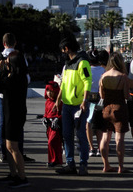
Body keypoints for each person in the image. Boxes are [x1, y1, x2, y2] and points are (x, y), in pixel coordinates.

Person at [0, 33, 33, 163]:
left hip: (1, 94)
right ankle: (18, 152)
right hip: (16, 94)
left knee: (3, 123)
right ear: (15, 43)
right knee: (17, 124)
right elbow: (27, 77)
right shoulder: (19, 56)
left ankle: (5, 152)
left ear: (3, 43)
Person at [54, 37, 92, 176]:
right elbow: (63, 83)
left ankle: (83, 164)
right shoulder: (67, 64)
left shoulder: (83, 62)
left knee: (81, 136)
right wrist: (58, 100)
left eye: (62, 50)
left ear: (67, 49)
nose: (62, 52)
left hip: (78, 106)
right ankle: (70, 164)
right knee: (67, 135)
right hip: (67, 105)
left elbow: (88, 81)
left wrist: (84, 100)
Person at [0, 50, 30, 188]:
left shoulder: (14, 79)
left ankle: (22, 177)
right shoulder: (19, 76)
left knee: (13, 147)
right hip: (12, 113)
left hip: (14, 115)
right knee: (9, 146)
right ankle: (13, 174)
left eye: (8, 61)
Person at [99, 52, 130, 173]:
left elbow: (101, 95)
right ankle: (121, 167)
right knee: (119, 139)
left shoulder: (103, 76)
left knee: (105, 138)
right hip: (119, 108)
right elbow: (126, 96)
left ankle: (106, 165)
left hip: (106, 109)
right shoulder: (123, 76)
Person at [86, 50, 105, 158]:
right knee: (99, 125)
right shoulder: (103, 70)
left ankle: (91, 147)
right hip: (99, 99)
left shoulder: (87, 69)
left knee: (88, 123)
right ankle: (99, 148)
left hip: (88, 98)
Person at [43, 81, 63, 167]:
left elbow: (62, 114)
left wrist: (57, 119)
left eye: (52, 92)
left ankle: (56, 160)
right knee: (50, 144)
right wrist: (44, 118)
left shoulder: (59, 102)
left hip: (56, 126)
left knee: (53, 142)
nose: (50, 94)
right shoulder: (47, 102)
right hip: (49, 126)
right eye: (48, 91)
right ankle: (52, 160)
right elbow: (46, 113)